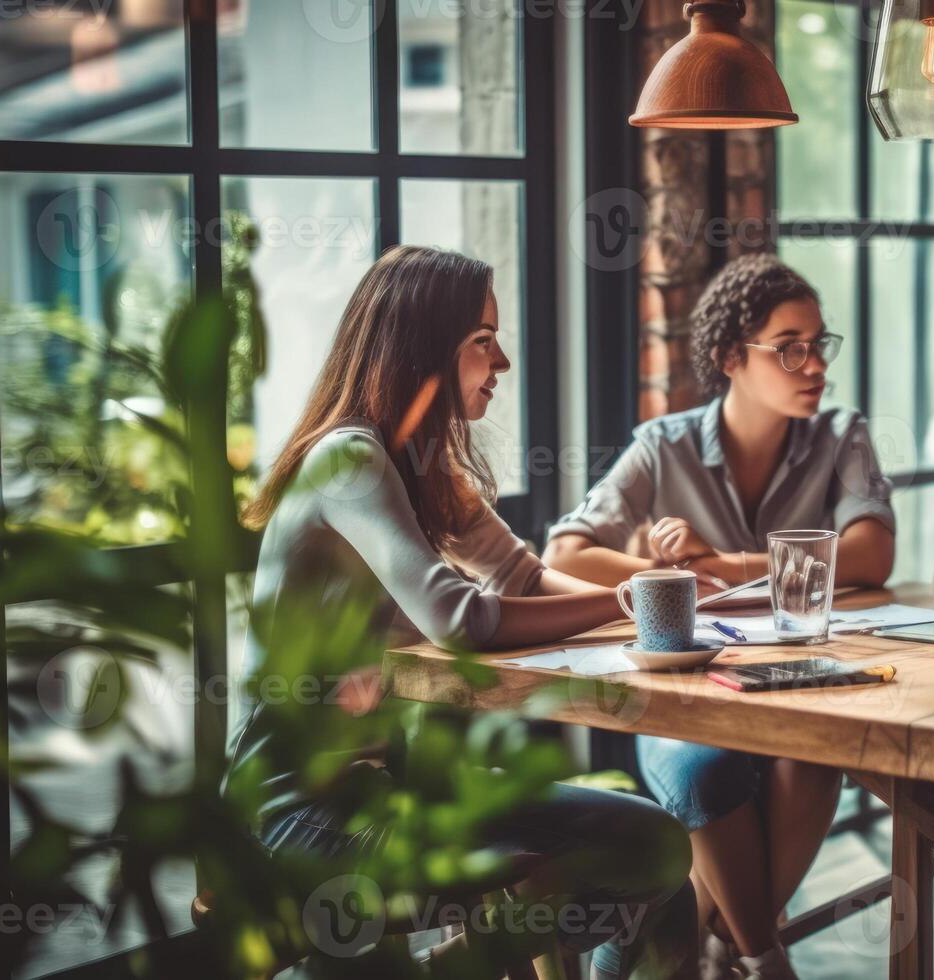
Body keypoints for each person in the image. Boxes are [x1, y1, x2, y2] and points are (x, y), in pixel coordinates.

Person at [229, 245, 695, 978]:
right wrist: (630, 600)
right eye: (483, 341)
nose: (502, 362)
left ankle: (452, 966)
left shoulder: (419, 464)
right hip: (298, 812)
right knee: (580, 868)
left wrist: (669, 613)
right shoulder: (348, 459)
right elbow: (460, 619)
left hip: (398, 788)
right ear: (421, 349)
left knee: (656, 844)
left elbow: (523, 578)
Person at [545, 254, 896, 980]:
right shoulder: (663, 444)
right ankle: (761, 955)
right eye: (789, 346)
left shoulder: (840, 434)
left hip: (801, 680)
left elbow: (870, 554)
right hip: (686, 698)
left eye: (819, 343)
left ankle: (730, 943)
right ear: (730, 358)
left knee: (813, 752)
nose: (814, 365)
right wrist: (667, 579)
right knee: (703, 775)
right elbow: (568, 550)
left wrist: (730, 563)